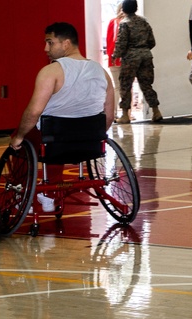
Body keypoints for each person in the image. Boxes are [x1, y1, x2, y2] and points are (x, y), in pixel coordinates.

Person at [9, 22, 116, 213]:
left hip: (55, 141)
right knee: (55, 135)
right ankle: (51, 196)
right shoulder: (102, 73)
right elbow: (109, 115)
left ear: (66, 43)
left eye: (50, 43)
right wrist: (94, 135)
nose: (45, 48)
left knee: (23, 136)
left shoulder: (51, 71)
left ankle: (22, 194)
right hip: (89, 142)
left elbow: (33, 112)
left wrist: (18, 137)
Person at [112, 0, 162, 124]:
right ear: (136, 8)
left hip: (130, 58)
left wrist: (115, 55)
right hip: (146, 56)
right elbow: (152, 41)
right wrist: (143, 49)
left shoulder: (124, 23)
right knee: (146, 84)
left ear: (123, 9)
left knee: (125, 85)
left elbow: (121, 43)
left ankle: (125, 115)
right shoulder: (144, 22)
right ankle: (156, 111)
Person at [104, 2, 124, 113]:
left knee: (117, 87)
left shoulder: (113, 22)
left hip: (114, 59)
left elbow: (109, 40)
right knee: (125, 87)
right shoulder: (128, 23)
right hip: (125, 59)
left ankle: (115, 112)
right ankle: (126, 113)